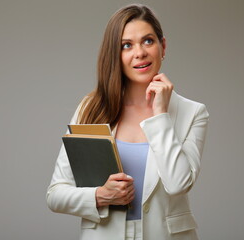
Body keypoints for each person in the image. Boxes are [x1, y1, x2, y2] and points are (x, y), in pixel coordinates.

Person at [46, 4, 209, 240]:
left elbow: (178, 184)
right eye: (126, 45)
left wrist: (160, 114)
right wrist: (101, 196)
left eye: (148, 41)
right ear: (115, 55)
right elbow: (55, 194)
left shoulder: (193, 113)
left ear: (163, 47)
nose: (140, 52)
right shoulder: (91, 109)